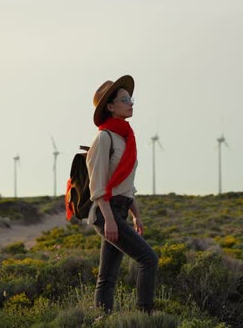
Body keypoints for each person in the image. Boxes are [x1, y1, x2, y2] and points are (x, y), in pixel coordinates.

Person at [86, 75, 158, 314]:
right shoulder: (104, 138)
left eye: (131, 98)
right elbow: (97, 186)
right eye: (125, 99)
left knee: (107, 276)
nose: (131, 103)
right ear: (110, 106)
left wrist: (135, 215)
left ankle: (101, 319)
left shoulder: (126, 138)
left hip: (119, 210)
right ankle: (144, 315)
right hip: (106, 213)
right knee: (149, 260)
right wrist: (108, 219)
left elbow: (125, 184)